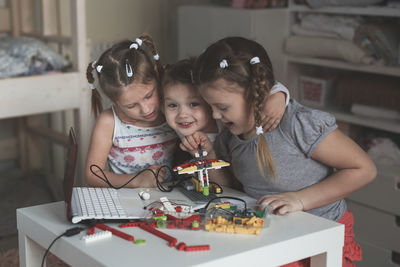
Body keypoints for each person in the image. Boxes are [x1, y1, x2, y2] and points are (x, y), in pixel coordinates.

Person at [193, 36, 377, 267]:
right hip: (276, 235)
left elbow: (364, 169)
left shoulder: (295, 124)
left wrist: (300, 199)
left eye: (222, 107)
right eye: (210, 106)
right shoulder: (230, 136)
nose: (215, 116)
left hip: (320, 235)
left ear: (254, 94)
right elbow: (232, 186)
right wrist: (209, 156)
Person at [161, 57, 289, 186]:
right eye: (172, 105)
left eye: (194, 104)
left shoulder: (228, 123)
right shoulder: (181, 126)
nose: (182, 114)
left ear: (212, 102)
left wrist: (279, 95)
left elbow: (258, 84)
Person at [85, 35, 178, 188]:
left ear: (156, 74)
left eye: (149, 96)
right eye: (131, 106)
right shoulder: (109, 122)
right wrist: (137, 180)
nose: (146, 109)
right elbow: (92, 175)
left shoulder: (171, 108)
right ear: (114, 101)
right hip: (128, 201)